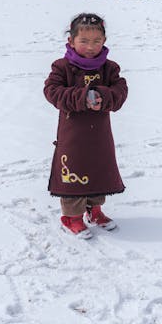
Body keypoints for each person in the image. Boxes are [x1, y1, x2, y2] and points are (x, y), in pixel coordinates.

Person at [43, 13, 128, 239]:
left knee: (98, 168)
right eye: (84, 41)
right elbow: (52, 91)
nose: (90, 47)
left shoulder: (109, 69)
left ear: (104, 41)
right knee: (73, 171)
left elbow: (121, 91)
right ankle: (71, 217)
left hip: (99, 134)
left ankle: (94, 210)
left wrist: (104, 96)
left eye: (96, 41)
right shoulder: (62, 67)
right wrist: (81, 97)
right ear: (71, 41)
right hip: (73, 135)